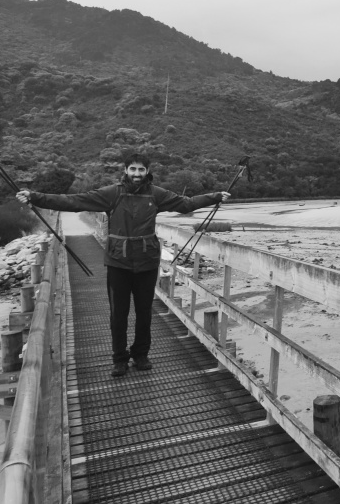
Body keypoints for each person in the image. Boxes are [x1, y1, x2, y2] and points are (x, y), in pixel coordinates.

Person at [17, 153, 230, 377]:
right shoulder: (112, 193)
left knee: (144, 312)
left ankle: (141, 355)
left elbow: (186, 204)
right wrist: (35, 197)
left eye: (141, 170)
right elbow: (74, 201)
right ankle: (119, 358)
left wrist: (215, 197)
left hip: (147, 262)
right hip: (118, 263)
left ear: (147, 171)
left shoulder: (156, 194)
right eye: (133, 169)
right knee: (118, 314)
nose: (137, 174)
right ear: (125, 170)